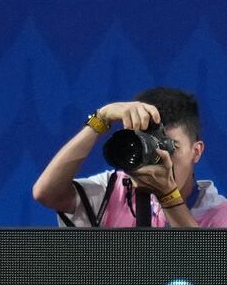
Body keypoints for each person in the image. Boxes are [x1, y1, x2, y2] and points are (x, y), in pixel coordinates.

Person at [32, 87, 225, 227]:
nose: (160, 156)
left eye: (170, 146)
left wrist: (168, 196)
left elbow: (206, 268)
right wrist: (102, 118)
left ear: (196, 151)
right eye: (150, 144)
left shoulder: (219, 214)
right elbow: (46, 193)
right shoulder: (111, 189)